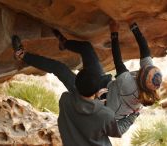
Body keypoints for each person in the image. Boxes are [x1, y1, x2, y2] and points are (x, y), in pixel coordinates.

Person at [11, 34, 139, 146]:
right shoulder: (103, 114)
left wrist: (97, 101)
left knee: (59, 68)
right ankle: (64, 43)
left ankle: (23, 55)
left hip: (89, 93)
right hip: (95, 91)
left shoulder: (67, 100)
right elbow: (118, 131)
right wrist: (133, 116)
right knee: (86, 49)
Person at [106, 21, 162, 119]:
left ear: (141, 75)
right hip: (114, 92)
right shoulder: (149, 79)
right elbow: (145, 50)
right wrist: (134, 27)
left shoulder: (129, 87)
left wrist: (114, 33)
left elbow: (118, 62)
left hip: (108, 110)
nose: (144, 67)